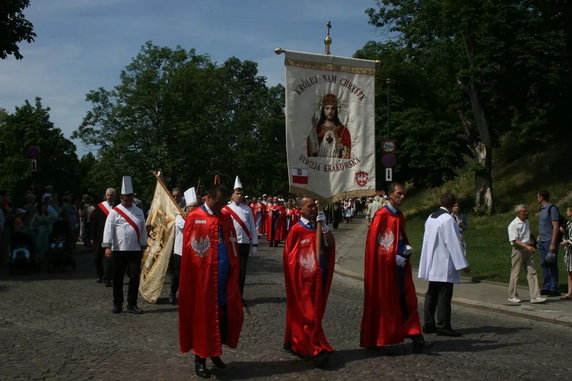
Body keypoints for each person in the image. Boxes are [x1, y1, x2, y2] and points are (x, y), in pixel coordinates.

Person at [178, 185, 243, 379]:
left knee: (221, 318)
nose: (221, 206)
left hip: (223, 279)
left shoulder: (224, 216)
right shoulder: (195, 217)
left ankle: (215, 352)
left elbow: (232, 242)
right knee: (203, 319)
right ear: (208, 198)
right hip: (204, 280)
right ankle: (200, 359)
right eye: (218, 202)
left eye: (223, 203)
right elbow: (190, 253)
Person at [360, 182, 430, 353]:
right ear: (390, 195)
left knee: (406, 300)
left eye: (404, 194)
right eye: (399, 193)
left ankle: (415, 335)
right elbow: (377, 245)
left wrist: (404, 249)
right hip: (385, 268)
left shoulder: (399, 215)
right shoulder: (381, 216)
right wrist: (392, 257)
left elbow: (399, 237)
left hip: (399, 266)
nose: (402, 196)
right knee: (384, 300)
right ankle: (376, 337)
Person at [283, 197, 335, 367]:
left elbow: (329, 245)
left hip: (319, 277)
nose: (313, 209)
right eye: (309, 206)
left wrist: (325, 227)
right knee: (307, 314)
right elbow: (290, 258)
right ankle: (310, 347)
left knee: (315, 313)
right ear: (300, 209)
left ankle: (299, 340)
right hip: (303, 280)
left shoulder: (317, 226)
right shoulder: (297, 230)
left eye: (314, 206)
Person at [419, 193, 469, 337]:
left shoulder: (431, 216)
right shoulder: (448, 220)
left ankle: (428, 323)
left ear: (440, 202)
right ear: (453, 205)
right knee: (444, 296)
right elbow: (453, 243)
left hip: (432, 261)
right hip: (444, 263)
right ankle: (443, 325)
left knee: (431, 294)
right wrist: (463, 264)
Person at [102, 178, 147, 314]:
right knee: (118, 278)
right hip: (118, 250)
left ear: (133, 197)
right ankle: (117, 304)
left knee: (134, 278)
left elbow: (143, 229)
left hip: (134, 250)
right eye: (125, 197)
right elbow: (108, 229)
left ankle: (132, 304)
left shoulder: (139, 211)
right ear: (121, 197)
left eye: (130, 197)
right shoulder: (115, 212)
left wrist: (143, 245)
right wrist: (108, 246)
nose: (127, 199)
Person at [222, 177, 258, 301]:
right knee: (230, 270)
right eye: (237, 193)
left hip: (244, 244)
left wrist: (255, 244)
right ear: (232, 195)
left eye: (241, 194)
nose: (239, 196)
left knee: (241, 272)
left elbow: (252, 227)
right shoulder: (225, 209)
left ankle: (239, 295)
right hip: (230, 244)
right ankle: (227, 294)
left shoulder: (247, 209)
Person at [507, 204, 546, 304]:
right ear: (518, 213)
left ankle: (535, 296)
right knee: (515, 272)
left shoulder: (527, 222)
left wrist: (533, 242)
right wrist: (527, 246)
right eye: (524, 211)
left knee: (532, 271)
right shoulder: (513, 225)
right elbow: (514, 240)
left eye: (527, 211)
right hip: (518, 250)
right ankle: (512, 295)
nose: (526, 213)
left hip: (528, 249)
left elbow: (527, 234)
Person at [169, 187, 198, 305]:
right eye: (192, 207)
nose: (194, 209)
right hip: (180, 251)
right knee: (177, 275)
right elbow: (188, 227)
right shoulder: (180, 217)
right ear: (187, 207)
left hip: (194, 251)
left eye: (196, 206)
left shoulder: (199, 217)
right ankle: (172, 292)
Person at [306, 93, 351, 159]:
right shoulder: (317, 129)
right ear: (323, 110)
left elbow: (348, 150)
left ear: (336, 111)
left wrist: (343, 148)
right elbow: (311, 153)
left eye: (333, 109)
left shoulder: (343, 130)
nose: (330, 111)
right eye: (327, 108)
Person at [536, 190, 561, 296]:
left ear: (542, 197)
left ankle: (554, 288)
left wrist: (553, 243)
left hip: (549, 240)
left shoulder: (552, 208)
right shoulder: (542, 209)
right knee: (543, 264)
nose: (537, 198)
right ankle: (546, 286)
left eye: (537, 196)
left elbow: (555, 226)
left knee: (551, 264)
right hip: (542, 240)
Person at [91, 188, 116, 286]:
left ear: (115, 196)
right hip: (99, 236)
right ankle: (100, 275)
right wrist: (92, 237)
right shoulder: (99, 207)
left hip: (112, 237)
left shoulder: (118, 207)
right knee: (97, 258)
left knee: (109, 259)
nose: (109, 197)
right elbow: (94, 223)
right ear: (105, 195)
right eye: (108, 195)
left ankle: (107, 278)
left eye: (112, 195)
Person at [560, 207, 572, 299]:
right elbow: (567, 234)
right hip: (568, 251)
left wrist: (567, 241)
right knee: (569, 272)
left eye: (567, 210)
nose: (566, 212)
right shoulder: (568, 223)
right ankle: (570, 292)